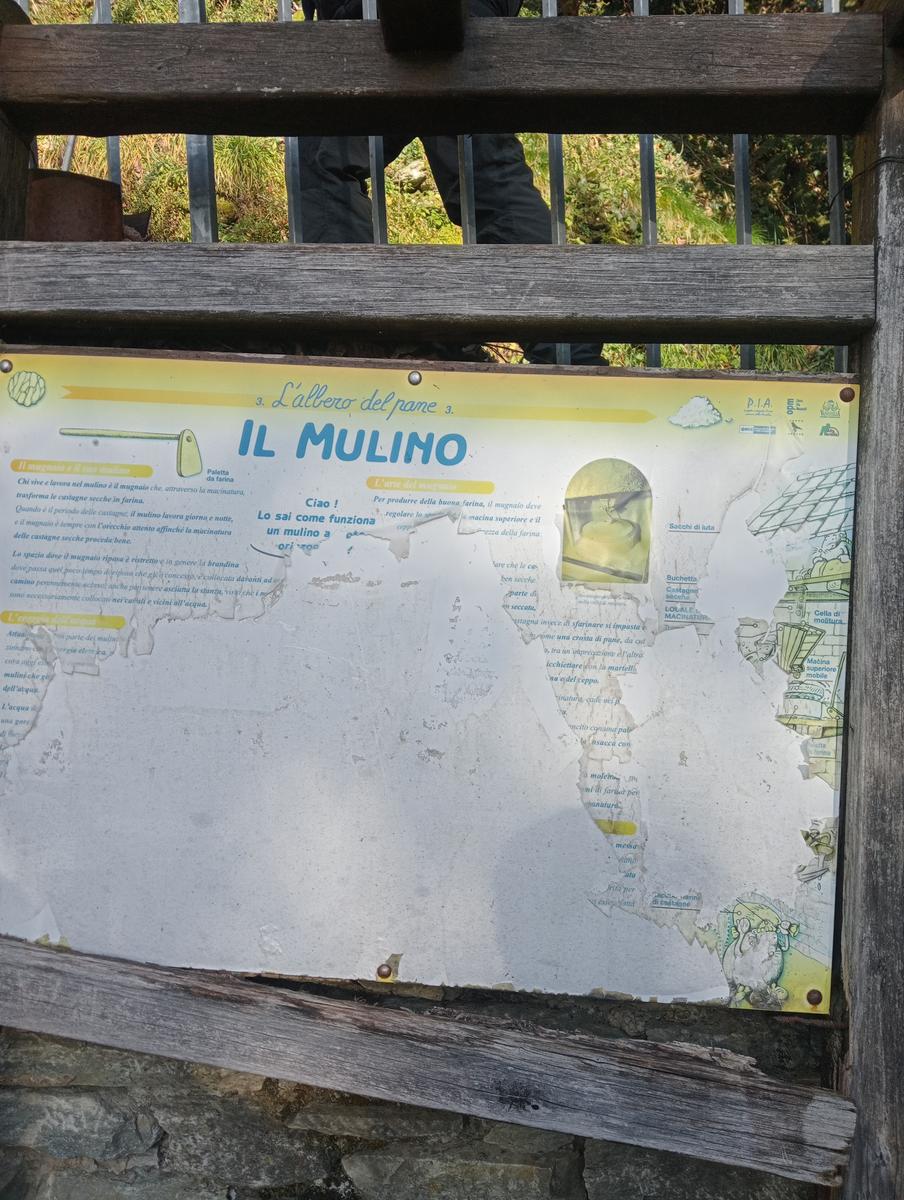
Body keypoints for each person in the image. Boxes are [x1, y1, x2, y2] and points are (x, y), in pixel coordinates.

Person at [298, 0, 606, 367]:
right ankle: (570, 356)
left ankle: (349, 338)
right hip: (448, 18)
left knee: (324, 163)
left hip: (373, 23)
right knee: (487, 173)